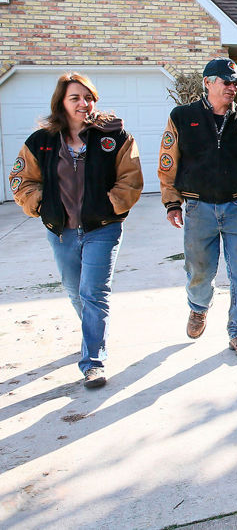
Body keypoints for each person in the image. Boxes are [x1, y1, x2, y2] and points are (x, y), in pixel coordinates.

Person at [8, 73, 143, 388]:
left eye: (89, 97)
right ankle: (93, 336)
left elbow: (131, 178)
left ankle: (93, 362)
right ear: (61, 103)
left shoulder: (115, 136)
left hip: (103, 228)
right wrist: (42, 205)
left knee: (93, 293)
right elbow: (21, 180)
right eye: (75, 98)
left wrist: (111, 206)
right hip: (62, 231)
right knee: (74, 291)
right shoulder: (40, 141)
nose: (84, 104)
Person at [159, 58, 237, 359]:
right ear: (208, 82)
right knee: (199, 272)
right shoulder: (182, 117)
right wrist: (172, 201)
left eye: (236, 82)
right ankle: (198, 308)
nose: (232, 87)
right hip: (198, 208)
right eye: (226, 81)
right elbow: (167, 163)